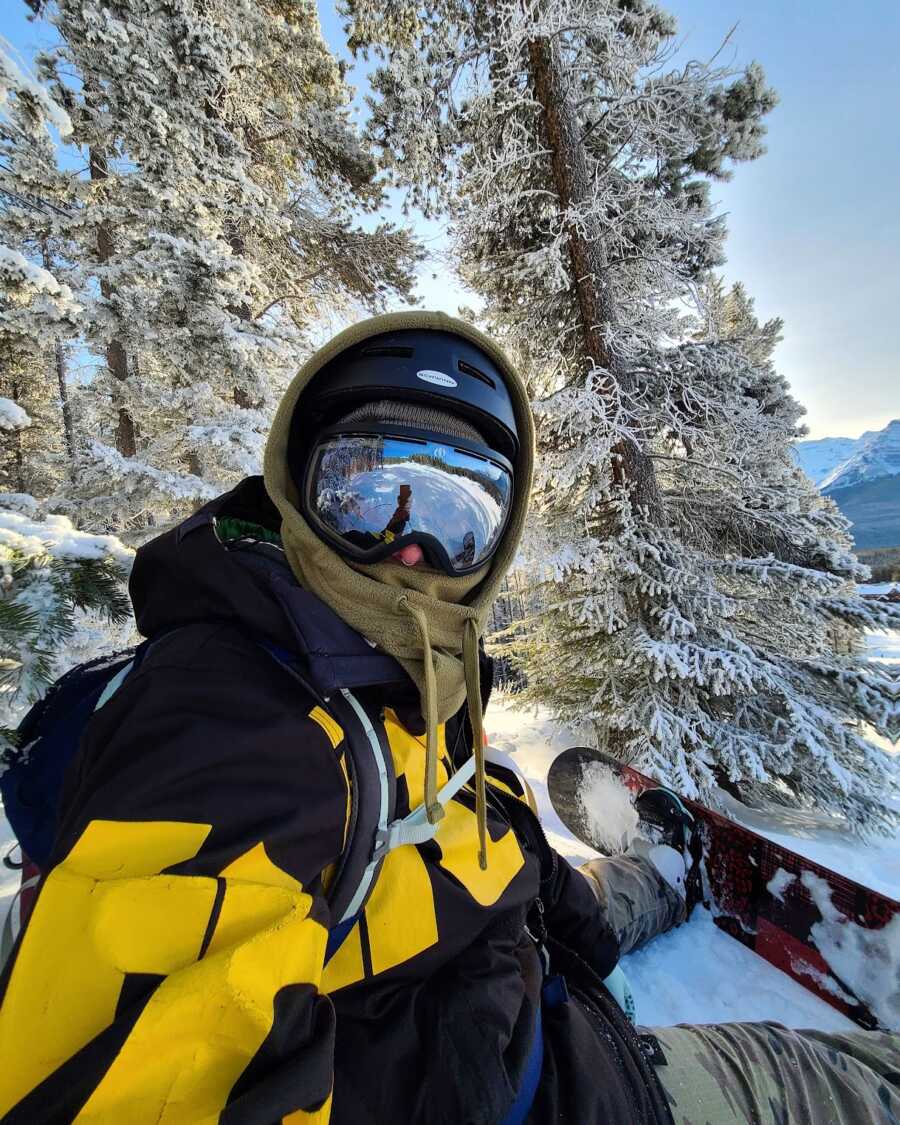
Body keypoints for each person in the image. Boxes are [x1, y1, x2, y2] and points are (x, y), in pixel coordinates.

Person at [0, 311, 896, 1124]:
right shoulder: (222, 727)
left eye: (456, 512)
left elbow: (482, 825)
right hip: (544, 1085)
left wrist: (587, 939)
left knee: (572, 889)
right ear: (293, 485)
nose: (413, 548)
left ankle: (655, 876)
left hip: (497, 940)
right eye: (365, 493)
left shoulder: (365, 660)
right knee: (820, 1076)